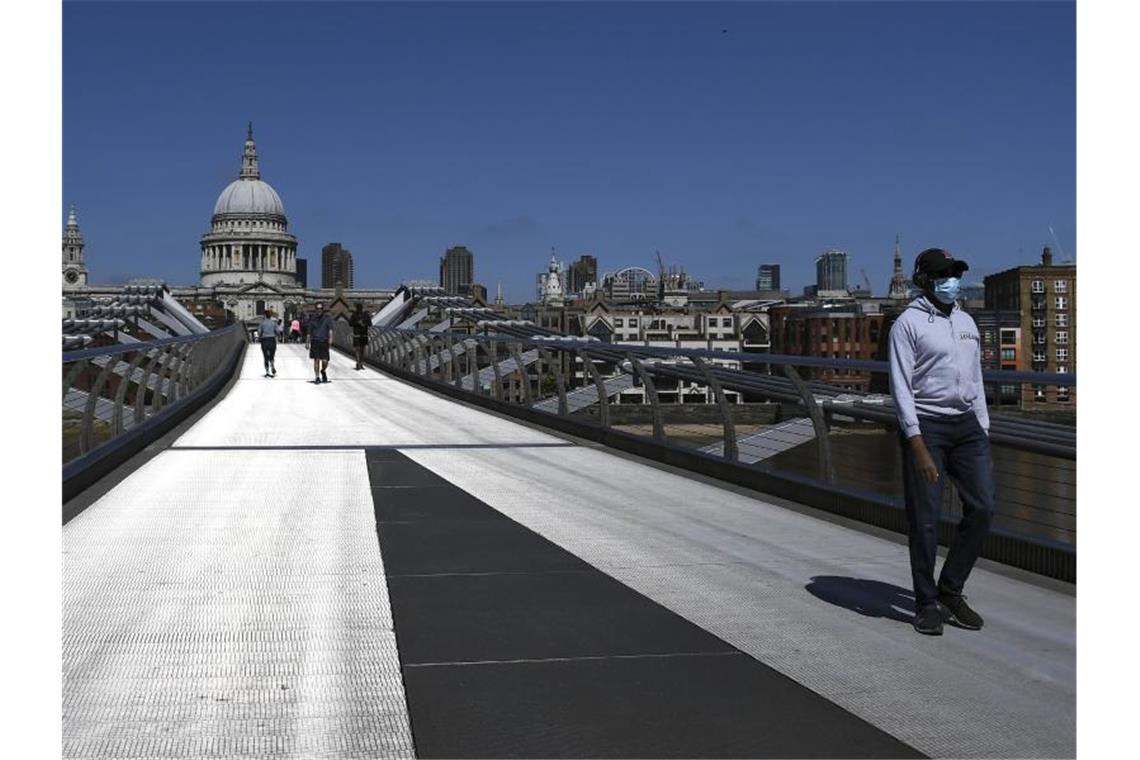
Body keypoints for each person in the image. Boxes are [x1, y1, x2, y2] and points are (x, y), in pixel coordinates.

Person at [888, 248, 994, 636]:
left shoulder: (967, 322)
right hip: (928, 427)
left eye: (956, 274)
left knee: (983, 507)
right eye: (945, 275)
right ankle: (926, 602)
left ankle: (951, 589)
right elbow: (900, 384)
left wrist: (983, 427)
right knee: (926, 520)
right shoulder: (907, 324)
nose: (953, 281)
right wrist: (915, 441)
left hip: (967, 428)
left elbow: (976, 379)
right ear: (927, 281)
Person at [306, 303, 335, 384]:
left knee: (325, 361)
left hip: (324, 341)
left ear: (323, 309)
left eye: (321, 308)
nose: (319, 310)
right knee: (316, 360)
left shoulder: (327, 318)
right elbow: (309, 332)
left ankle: (323, 370)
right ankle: (317, 377)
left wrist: (331, 338)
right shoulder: (312, 319)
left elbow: (330, 330)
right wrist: (307, 342)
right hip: (315, 340)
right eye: (318, 309)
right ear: (316, 310)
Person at [257, 308, 282, 377]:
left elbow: (259, 332)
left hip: (264, 340)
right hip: (272, 339)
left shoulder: (262, 323)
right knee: (272, 355)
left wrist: (260, 337)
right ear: (270, 315)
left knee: (265, 356)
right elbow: (278, 331)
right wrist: (279, 337)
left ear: (265, 315)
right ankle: (272, 364)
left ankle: (267, 371)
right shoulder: (274, 323)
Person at [349, 302, 371, 370]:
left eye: (360, 308)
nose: (359, 309)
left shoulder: (365, 315)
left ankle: (361, 363)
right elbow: (350, 323)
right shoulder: (354, 315)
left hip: (363, 334)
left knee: (362, 350)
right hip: (357, 334)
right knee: (358, 349)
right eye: (358, 308)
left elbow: (370, 323)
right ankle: (358, 363)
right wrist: (357, 323)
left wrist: (364, 323)